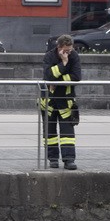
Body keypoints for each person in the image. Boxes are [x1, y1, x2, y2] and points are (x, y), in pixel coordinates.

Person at [40, 34, 81, 170]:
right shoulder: (49, 56)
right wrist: (63, 64)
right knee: (50, 133)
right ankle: (53, 159)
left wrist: (57, 82)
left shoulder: (74, 56)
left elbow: (76, 76)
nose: (68, 53)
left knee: (67, 133)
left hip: (65, 100)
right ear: (59, 47)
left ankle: (69, 160)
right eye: (65, 51)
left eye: (70, 50)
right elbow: (48, 76)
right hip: (49, 101)